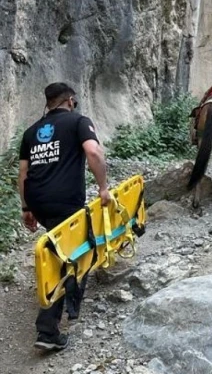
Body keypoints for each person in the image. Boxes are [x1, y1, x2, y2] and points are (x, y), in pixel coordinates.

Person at [18, 82, 110, 351]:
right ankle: (47, 331)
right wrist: (103, 188)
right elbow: (93, 152)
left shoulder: (31, 132)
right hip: (65, 201)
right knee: (66, 256)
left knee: (64, 247)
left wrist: (26, 208)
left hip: (39, 201)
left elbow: (23, 174)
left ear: (48, 103)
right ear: (70, 100)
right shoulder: (78, 121)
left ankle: (73, 300)